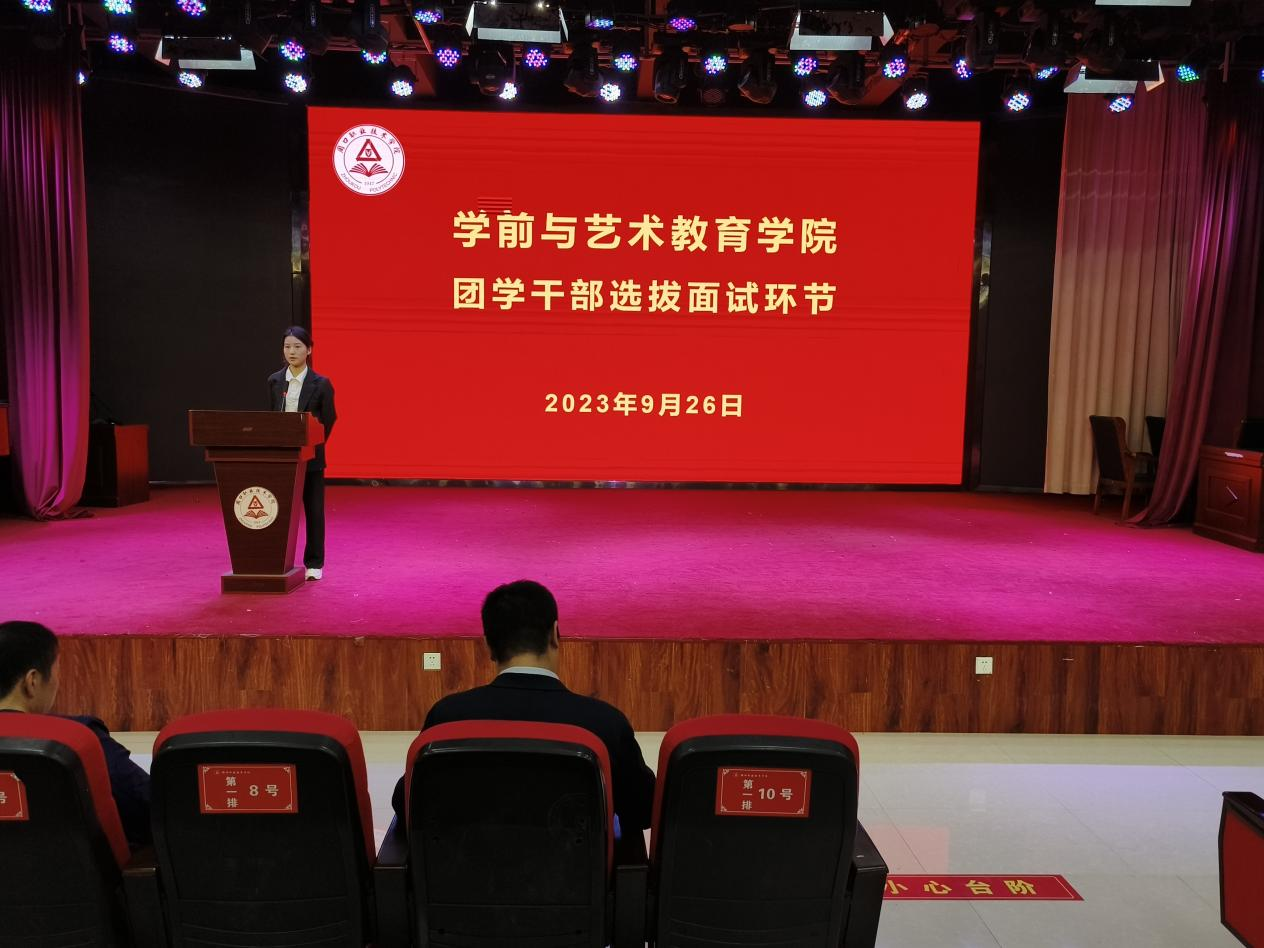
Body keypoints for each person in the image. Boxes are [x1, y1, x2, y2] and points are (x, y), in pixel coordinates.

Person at [392, 581, 656, 838]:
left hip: (466, 866)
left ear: (488, 646)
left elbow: (407, 807)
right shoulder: (605, 724)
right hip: (571, 868)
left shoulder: (447, 718)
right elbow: (644, 811)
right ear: (554, 634)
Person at [0, 621, 151, 851]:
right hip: (72, 873)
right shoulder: (78, 739)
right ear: (32, 682)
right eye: (57, 671)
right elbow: (149, 807)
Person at [268, 326, 336, 580]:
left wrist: (313, 444)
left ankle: (314, 563)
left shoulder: (321, 384)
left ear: (309, 350)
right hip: (282, 458)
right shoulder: (275, 381)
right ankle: (278, 559)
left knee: (314, 511)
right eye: (287, 347)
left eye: (297, 346)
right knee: (279, 510)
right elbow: (271, 417)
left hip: (311, 459)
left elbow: (329, 418)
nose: (292, 352)